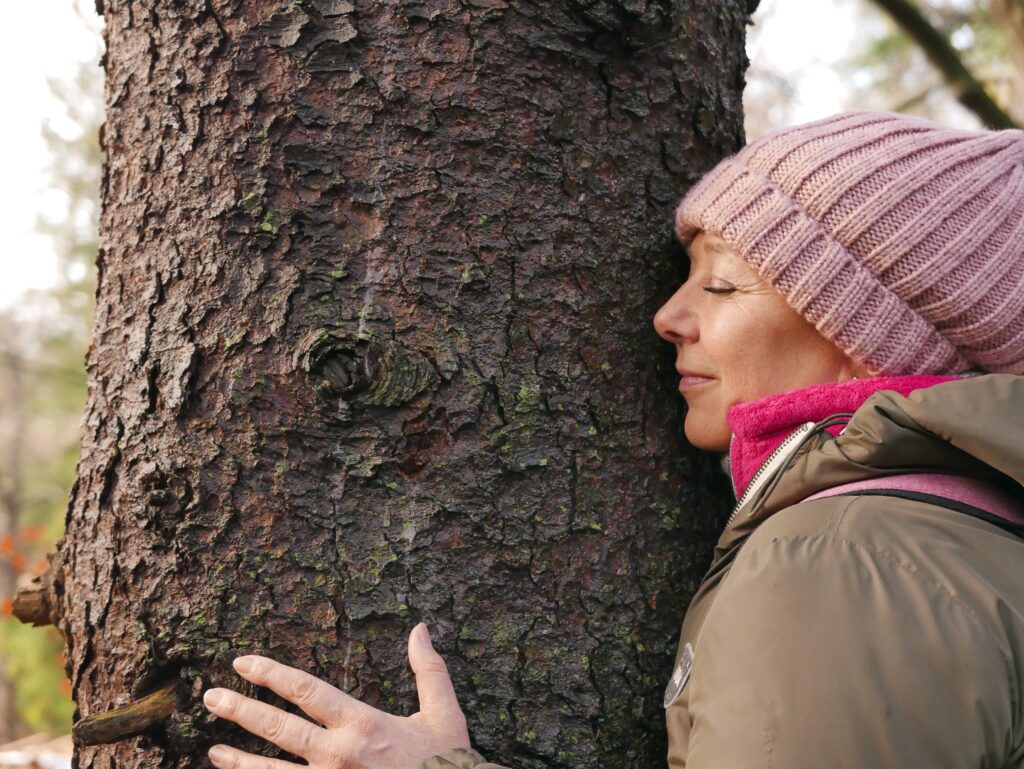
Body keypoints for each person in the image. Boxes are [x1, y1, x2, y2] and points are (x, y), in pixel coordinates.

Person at [200, 110, 1024, 768]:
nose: (667, 317)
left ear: (864, 333)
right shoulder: (962, 533)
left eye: (722, 283)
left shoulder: (845, 560)